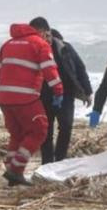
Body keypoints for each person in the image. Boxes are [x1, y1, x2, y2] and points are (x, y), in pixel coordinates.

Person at [0, 22, 64, 187]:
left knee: (17, 134)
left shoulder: (8, 44)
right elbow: (49, 69)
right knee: (39, 130)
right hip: (25, 97)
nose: (48, 38)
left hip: (4, 98)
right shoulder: (39, 44)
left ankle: (11, 167)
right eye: (47, 34)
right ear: (42, 31)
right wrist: (58, 91)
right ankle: (16, 170)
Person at [31, 19, 93, 164]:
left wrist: (87, 92)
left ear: (47, 32)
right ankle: (46, 163)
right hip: (43, 95)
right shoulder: (33, 49)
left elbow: (80, 68)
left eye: (36, 33)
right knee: (46, 131)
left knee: (66, 126)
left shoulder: (64, 47)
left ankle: (60, 161)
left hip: (65, 94)